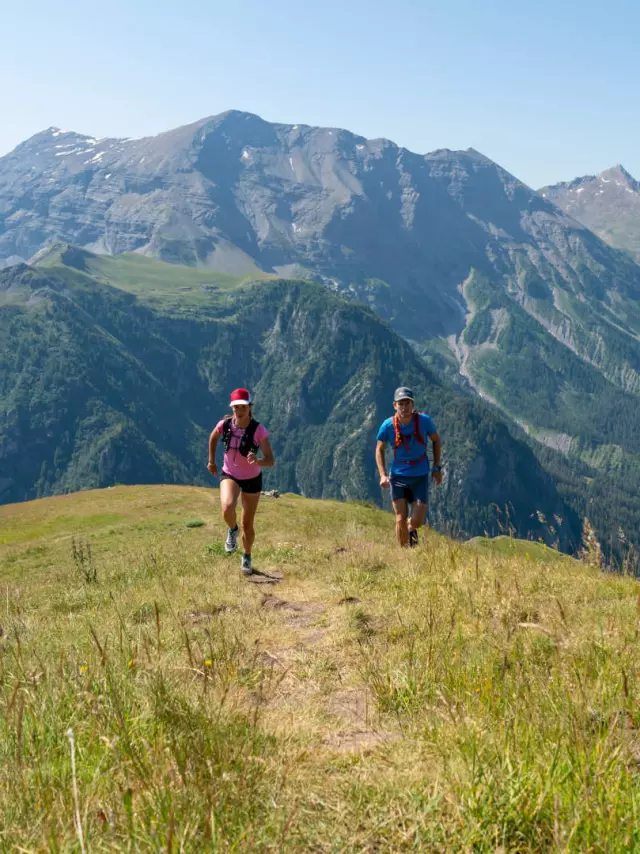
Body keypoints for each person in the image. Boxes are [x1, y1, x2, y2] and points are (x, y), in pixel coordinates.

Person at [207, 388, 275, 575]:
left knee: (248, 524)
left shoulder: (259, 430)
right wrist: (211, 461)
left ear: (250, 407)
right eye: (236, 407)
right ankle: (232, 530)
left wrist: (258, 460)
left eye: (243, 406)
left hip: (252, 479)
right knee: (227, 507)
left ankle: (246, 555)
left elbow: (270, 460)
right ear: (232, 408)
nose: (239, 410)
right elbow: (213, 437)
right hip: (229, 474)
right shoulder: (225, 425)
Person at [375, 387, 442, 548]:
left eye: (407, 403)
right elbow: (379, 449)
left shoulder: (424, 421)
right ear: (394, 405)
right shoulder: (387, 426)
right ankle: (404, 555)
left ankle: (412, 530)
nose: (404, 408)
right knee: (400, 518)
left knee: (417, 520)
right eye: (401, 404)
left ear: (412, 405)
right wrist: (383, 475)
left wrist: (436, 468)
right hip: (398, 477)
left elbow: (436, 441)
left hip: (420, 476)